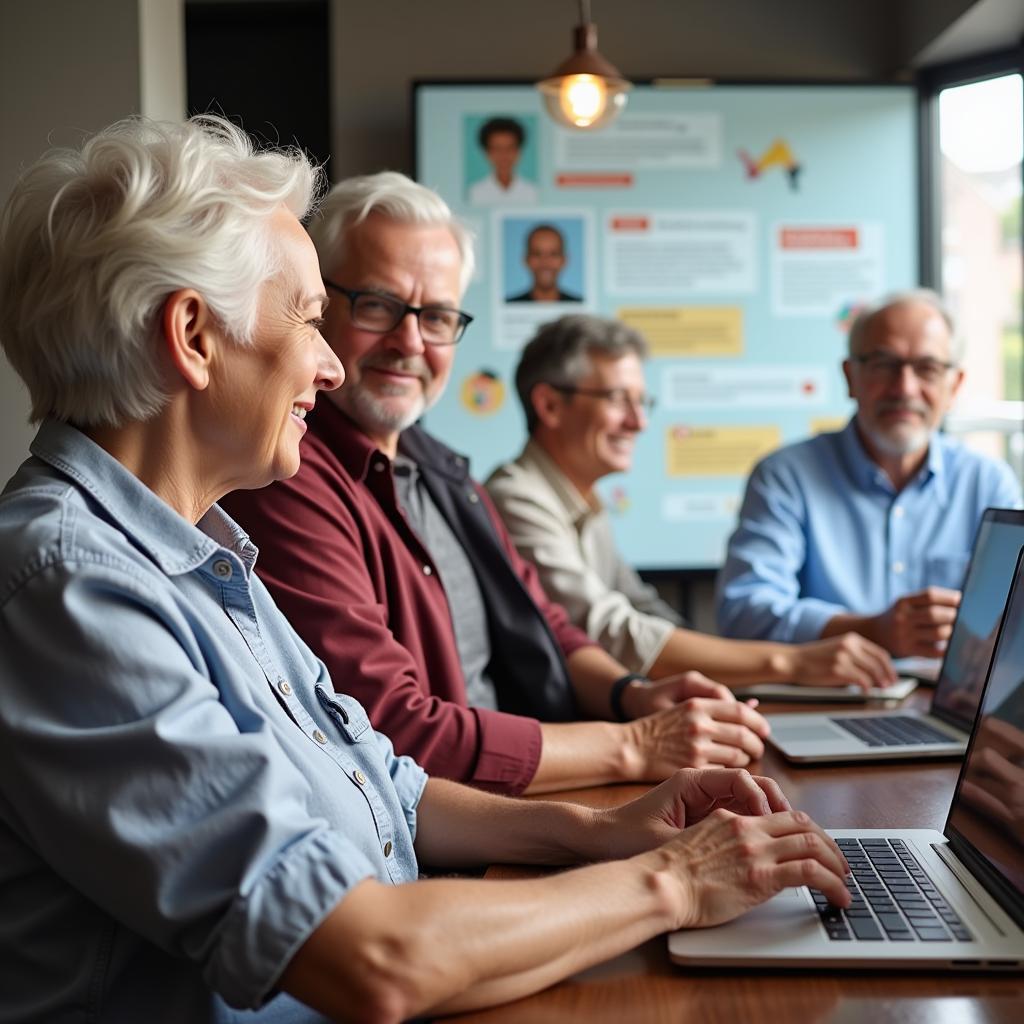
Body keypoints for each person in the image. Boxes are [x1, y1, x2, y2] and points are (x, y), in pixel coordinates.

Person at [0, 116, 852, 1024]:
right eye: (311, 319)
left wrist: (602, 830)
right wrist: (674, 882)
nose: (331, 366)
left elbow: (386, 786)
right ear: (195, 337)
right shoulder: (70, 585)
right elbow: (373, 960)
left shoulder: (200, 550)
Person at [223, 172, 770, 798]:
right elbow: (392, 730)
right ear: (321, 308)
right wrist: (640, 743)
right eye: (378, 306)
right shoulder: (287, 477)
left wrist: (635, 696)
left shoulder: (444, 468)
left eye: (437, 317)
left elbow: (548, 625)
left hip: (526, 795)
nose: (410, 343)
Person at [486, 314, 897, 691]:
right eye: (617, 399)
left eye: (641, 402)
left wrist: (731, 672)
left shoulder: (581, 500)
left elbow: (644, 608)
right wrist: (789, 663)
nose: (639, 422)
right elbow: (611, 630)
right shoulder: (515, 499)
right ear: (550, 405)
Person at [716, 289, 1023, 657]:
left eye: (927, 368)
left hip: (949, 707)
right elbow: (742, 612)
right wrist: (871, 630)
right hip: (823, 701)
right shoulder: (784, 478)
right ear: (850, 376)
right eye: (883, 364)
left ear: (954, 385)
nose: (904, 388)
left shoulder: (988, 483)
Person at [467, 115, 539, 204]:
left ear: (518, 152)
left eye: (510, 148)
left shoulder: (533, 192)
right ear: (487, 153)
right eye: (497, 149)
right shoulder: (474, 193)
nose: (504, 155)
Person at [506, 222, 582, 303]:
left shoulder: (580, 306)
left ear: (564, 260)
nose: (545, 262)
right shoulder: (510, 304)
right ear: (526, 260)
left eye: (553, 254)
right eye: (537, 254)